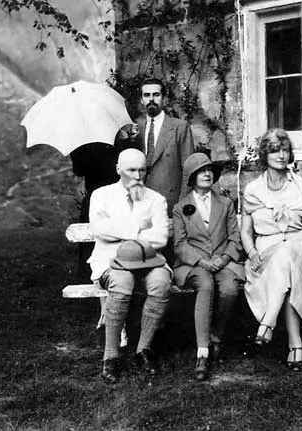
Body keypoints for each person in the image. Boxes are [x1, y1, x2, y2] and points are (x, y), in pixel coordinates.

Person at [240, 129, 302, 371]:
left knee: (285, 256)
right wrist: (252, 253)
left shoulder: (301, 187)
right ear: (265, 155)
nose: (281, 155)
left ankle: (268, 322)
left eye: (285, 150)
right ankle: (295, 345)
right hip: (266, 251)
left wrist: (287, 242)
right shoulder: (254, 190)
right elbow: (246, 232)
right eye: (275, 150)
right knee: (284, 270)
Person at [87, 148, 171, 383]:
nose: (137, 176)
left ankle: (143, 350)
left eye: (142, 170)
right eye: (131, 170)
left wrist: (121, 232)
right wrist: (138, 228)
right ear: (118, 169)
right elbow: (100, 229)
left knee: (161, 282)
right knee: (122, 282)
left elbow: (161, 238)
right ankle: (110, 355)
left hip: (148, 259)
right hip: (110, 260)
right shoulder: (101, 195)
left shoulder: (156, 199)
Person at [172, 153, 244, 381]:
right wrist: (202, 261)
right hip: (194, 263)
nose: (206, 174)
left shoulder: (224, 203)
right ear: (192, 177)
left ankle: (215, 335)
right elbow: (180, 244)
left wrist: (223, 259)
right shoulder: (181, 207)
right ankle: (202, 352)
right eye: (201, 171)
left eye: (209, 170)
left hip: (223, 261)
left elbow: (235, 238)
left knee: (230, 289)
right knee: (205, 284)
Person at [70, 124, 140, 277]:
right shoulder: (97, 134)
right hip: (100, 195)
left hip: (117, 192)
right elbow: (79, 168)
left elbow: (79, 169)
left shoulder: (112, 134)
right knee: (96, 236)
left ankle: (114, 273)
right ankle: (96, 275)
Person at [137, 78, 195, 216]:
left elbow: (189, 171)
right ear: (141, 100)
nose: (151, 99)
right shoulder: (136, 127)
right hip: (141, 204)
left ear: (164, 99)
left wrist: (181, 206)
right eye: (147, 95)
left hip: (169, 204)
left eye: (156, 95)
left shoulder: (179, 127)